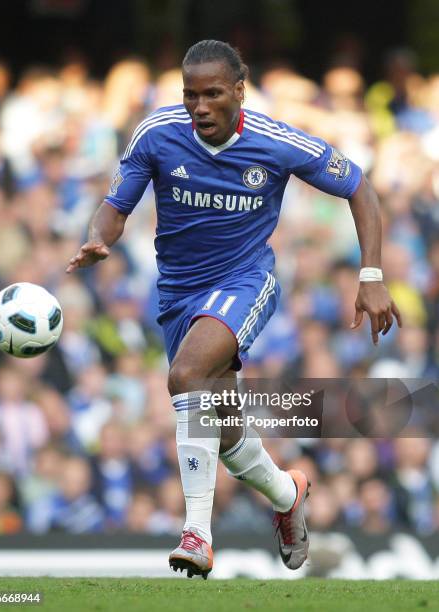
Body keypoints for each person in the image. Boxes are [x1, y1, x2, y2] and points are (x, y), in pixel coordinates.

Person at [66, 40, 402, 579]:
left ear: (239, 91)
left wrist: (371, 275)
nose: (199, 106)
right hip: (178, 294)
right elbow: (114, 206)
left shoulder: (275, 142)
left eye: (212, 94)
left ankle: (197, 532)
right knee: (223, 431)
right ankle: (287, 493)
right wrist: (97, 240)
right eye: (190, 94)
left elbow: (359, 186)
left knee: (187, 375)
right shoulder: (157, 133)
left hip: (246, 281)